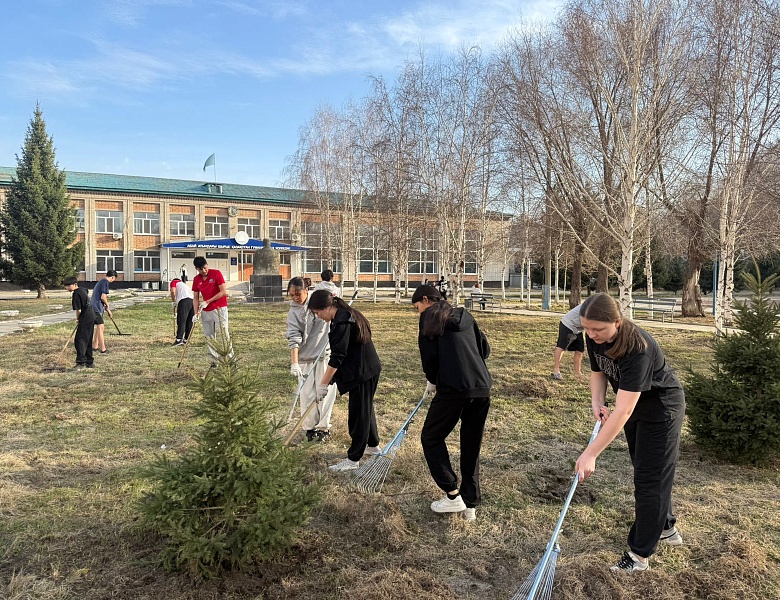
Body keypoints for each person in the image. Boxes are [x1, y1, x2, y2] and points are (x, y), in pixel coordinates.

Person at [574, 293, 686, 573]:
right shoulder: (595, 335)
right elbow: (598, 371)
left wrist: (591, 454)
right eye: (587, 328)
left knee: (649, 479)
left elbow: (623, 411)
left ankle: (639, 556)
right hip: (636, 406)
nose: (591, 334)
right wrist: (597, 402)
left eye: (598, 329)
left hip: (662, 410)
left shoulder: (638, 348)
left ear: (617, 321)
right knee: (648, 470)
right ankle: (666, 528)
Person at [412, 284, 492, 522]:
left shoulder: (428, 319)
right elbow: (484, 350)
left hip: (453, 389)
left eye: (417, 307)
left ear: (426, 300)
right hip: (481, 387)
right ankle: (470, 505)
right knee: (471, 444)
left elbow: (429, 359)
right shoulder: (465, 315)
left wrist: (433, 380)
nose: (418, 312)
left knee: (431, 437)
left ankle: (452, 493)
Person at [307, 289, 382, 471]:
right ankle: (373, 447)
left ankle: (353, 459)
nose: (318, 317)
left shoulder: (343, 320)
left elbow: (338, 357)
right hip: (364, 368)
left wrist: (323, 384)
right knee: (365, 408)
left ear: (326, 307)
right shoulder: (343, 315)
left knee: (358, 414)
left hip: (363, 371)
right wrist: (331, 380)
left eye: (317, 313)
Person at [285, 277, 338, 441]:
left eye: (298, 294)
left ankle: (324, 428)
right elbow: (293, 336)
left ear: (306, 290)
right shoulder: (293, 311)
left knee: (324, 393)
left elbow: (334, 309)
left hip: (324, 355)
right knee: (307, 395)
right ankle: (310, 429)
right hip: (305, 358)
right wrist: (295, 363)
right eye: (291, 294)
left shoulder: (319, 301)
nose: (295, 297)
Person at [191, 256, 231, 364]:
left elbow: (223, 291)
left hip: (219, 308)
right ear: (196, 269)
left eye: (205, 268)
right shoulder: (196, 279)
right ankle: (214, 361)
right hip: (205, 310)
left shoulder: (216, 273)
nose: (204, 271)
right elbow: (195, 298)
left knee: (223, 333)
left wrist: (208, 301)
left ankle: (230, 360)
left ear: (207, 265)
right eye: (200, 269)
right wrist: (196, 313)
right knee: (209, 336)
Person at [64, 276, 95, 370]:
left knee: (80, 340)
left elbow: (78, 310)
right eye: (65, 286)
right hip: (91, 315)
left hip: (85, 317)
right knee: (88, 339)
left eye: (68, 286)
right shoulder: (83, 290)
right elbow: (86, 292)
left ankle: (81, 363)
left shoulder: (76, 294)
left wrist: (78, 318)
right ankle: (89, 362)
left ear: (75, 284)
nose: (67, 288)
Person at [552, 304, 585, 380]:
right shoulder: (589, 306)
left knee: (580, 350)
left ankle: (578, 373)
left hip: (578, 329)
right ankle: (556, 371)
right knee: (561, 347)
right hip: (568, 324)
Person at [91, 269, 117, 354]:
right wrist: (108, 306)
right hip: (96, 307)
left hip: (97, 306)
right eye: (114, 279)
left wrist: (105, 305)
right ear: (112, 277)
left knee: (100, 327)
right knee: (100, 327)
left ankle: (95, 346)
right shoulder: (105, 282)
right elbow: (103, 297)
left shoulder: (101, 281)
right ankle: (103, 349)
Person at [169, 277, 195, 346]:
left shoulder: (174, 282)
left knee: (182, 320)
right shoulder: (184, 285)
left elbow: (172, 291)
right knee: (189, 321)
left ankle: (179, 339)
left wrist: (173, 301)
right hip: (192, 301)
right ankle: (186, 339)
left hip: (184, 301)